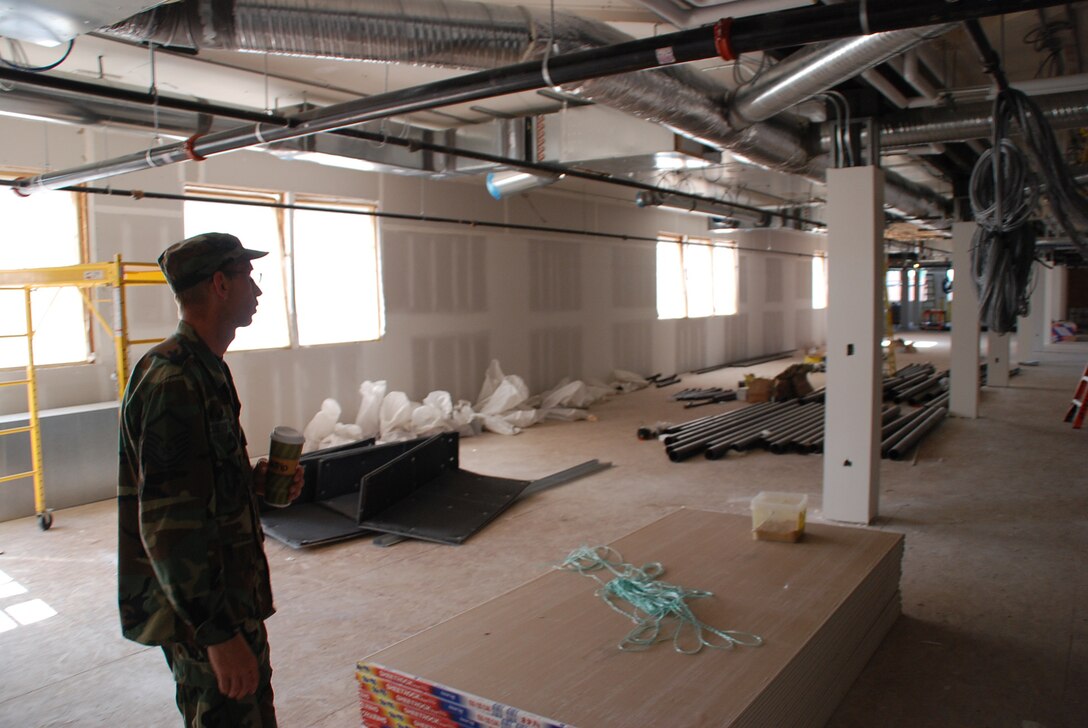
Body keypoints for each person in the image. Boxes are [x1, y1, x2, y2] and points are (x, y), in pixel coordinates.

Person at [118, 232, 303, 727]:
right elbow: (166, 526)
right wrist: (216, 635)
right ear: (220, 284)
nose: (257, 291)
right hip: (206, 615)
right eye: (249, 277)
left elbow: (199, 489)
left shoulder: (206, 369)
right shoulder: (174, 381)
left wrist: (251, 483)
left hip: (230, 598)